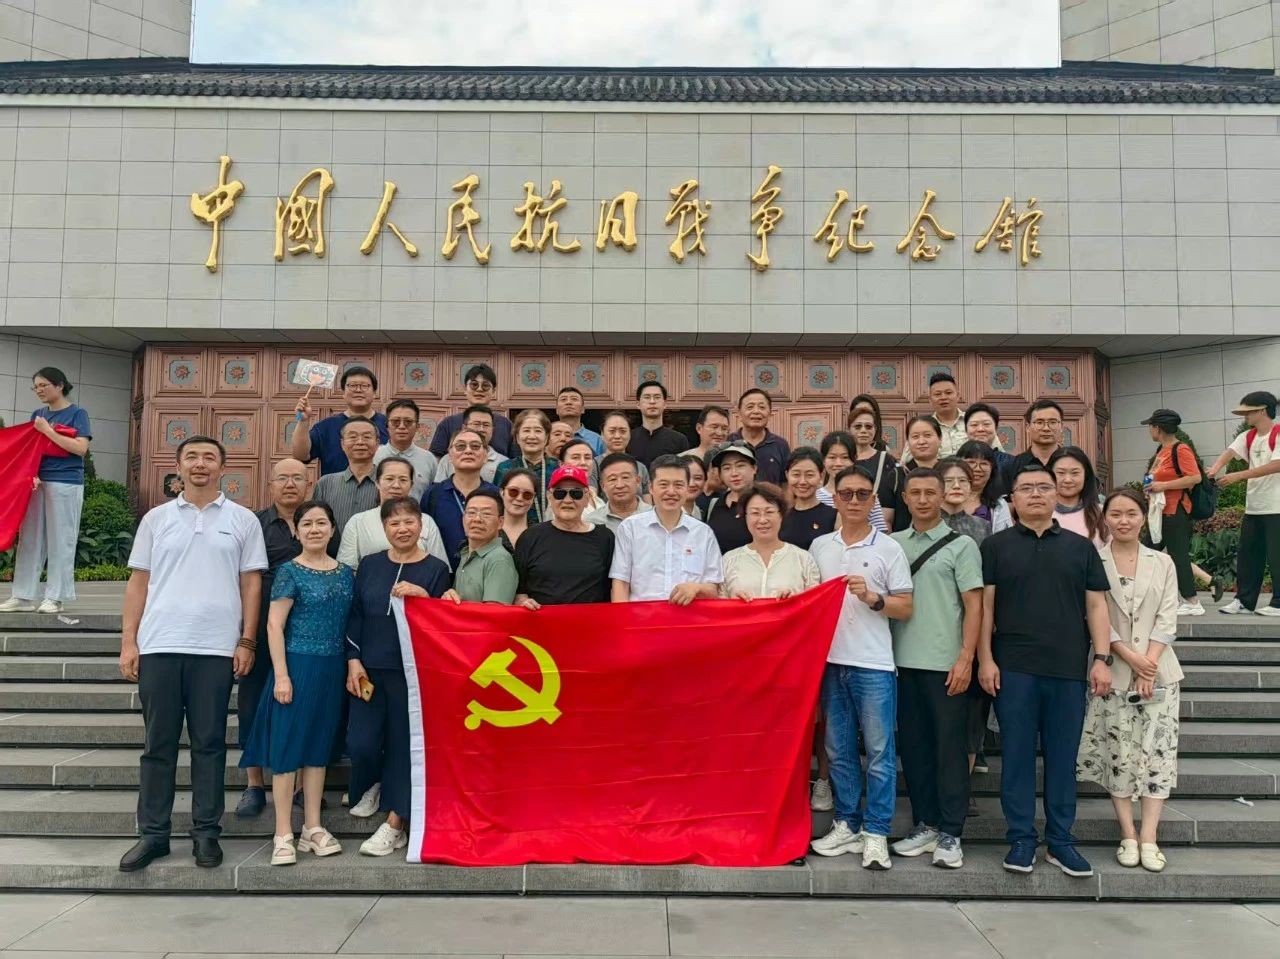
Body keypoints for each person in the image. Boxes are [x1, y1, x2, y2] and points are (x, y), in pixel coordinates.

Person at [117, 435, 267, 872]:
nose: (200, 464)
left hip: (215, 648)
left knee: (209, 744)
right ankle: (153, 835)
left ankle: (206, 833)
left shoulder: (242, 520)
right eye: (192, 457)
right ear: (179, 466)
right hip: (161, 643)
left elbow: (251, 584)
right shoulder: (156, 519)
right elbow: (138, 583)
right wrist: (129, 640)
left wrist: (247, 640)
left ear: (223, 467)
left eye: (209, 458)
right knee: (158, 745)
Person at [978, 462, 1112, 879]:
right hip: (1014, 667)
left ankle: (1060, 841)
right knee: (1016, 757)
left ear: (1057, 495)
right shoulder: (996, 546)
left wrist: (1102, 659)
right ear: (1012, 499)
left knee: (1062, 758)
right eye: (1026, 488)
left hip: (1067, 668)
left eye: (1043, 487)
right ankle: (1021, 838)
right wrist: (986, 658)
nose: (1036, 494)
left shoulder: (1080, 547)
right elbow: (985, 609)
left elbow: (1096, 605)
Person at [809, 465, 913, 870]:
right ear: (834, 498)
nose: (854, 500)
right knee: (838, 751)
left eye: (862, 494)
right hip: (830, 662)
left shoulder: (889, 548)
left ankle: (877, 831)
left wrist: (873, 598)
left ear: (873, 501)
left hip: (873, 663)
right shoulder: (820, 546)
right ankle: (847, 822)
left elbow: (906, 607)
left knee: (880, 752)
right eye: (846, 493)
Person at [240, 500, 353, 866]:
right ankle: (283, 832)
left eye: (321, 523)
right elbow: (274, 625)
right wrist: (282, 675)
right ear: (298, 531)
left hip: (332, 668)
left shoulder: (346, 573)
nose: (315, 529)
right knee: (287, 750)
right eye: (307, 524)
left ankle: (313, 828)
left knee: (318, 749)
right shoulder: (290, 571)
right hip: (296, 665)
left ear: (332, 529)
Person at [1077, 489, 1183, 874]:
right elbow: (1095, 615)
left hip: (1160, 673)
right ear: (1104, 518)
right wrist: (1131, 658)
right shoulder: (1094, 559)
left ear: (1143, 516)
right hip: (1114, 672)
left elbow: (1168, 616)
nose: (1123, 521)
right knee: (1118, 753)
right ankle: (1128, 834)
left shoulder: (1163, 561)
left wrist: (1148, 663)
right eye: (1116, 514)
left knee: (1157, 754)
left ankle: (1150, 836)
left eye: (1131, 513)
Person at [889, 468, 984, 869]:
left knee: (949, 749)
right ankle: (925, 823)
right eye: (916, 493)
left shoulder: (962, 545)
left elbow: (974, 605)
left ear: (943, 496)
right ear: (905, 499)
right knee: (914, 750)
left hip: (945, 664)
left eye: (931, 492)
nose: (923, 499)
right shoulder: (892, 544)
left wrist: (966, 657)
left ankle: (951, 831)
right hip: (900, 663)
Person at [345, 497, 450, 856]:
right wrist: (353, 659)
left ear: (421, 526)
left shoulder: (436, 569)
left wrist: (423, 597)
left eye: (409, 522)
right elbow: (355, 614)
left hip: (412, 673)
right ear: (384, 528)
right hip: (369, 669)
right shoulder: (370, 564)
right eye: (394, 523)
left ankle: (396, 823)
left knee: (406, 746)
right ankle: (375, 784)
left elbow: (443, 621)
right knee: (361, 741)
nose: (402, 529)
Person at [236, 457, 310, 819]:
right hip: (263, 625)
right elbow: (243, 579)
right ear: (270, 485)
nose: (290, 484)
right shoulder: (254, 525)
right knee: (252, 701)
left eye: (297, 478)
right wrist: (246, 638)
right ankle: (254, 784)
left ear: (309, 485)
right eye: (283, 478)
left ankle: (300, 786)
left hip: (309, 630)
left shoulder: (319, 521)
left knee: (302, 703)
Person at [1, 367, 92, 615]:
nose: (39, 390)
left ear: (60, 385)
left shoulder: (77, 413)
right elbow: (32, 449)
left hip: (66, 482)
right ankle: (23, 595)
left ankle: (56, 597)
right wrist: (32, 474)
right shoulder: (38, 414)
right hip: (38, 483)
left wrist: (47, 431)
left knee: (61, 539)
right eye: (36, 386)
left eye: (43, 385)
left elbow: (80, 448)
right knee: (29, 539)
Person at [610, 455, 722, 603]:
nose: (671, 491)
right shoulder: (630, 528)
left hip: (688, 615)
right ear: (651, 488)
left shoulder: (703, 533)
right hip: (642, 615)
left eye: (678, 485)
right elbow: (621, 584)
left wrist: (696, 588)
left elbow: (714, 588)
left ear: (687, 488)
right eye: (663, 485)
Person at [1209, 391, 1280, 617]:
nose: (1245, 416)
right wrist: (1213, 470)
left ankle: (1278, 603)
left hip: (1277, 507)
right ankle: (1244, 601)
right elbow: (1229, 452)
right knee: (1248, 556)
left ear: (1262, 410)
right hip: (1254, 508)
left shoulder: (1278, 434)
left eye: (1248, 412)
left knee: (1277, 557)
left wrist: (1239, 476)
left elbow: (1276, 465)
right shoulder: (1248, 436)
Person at [514, 465, 614, 608]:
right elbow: (519, 592)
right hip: (541, 620)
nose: (567, 500)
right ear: (549, 497)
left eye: (576, 493)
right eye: (559, 493)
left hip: (591, 620)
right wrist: (523, 602)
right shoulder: (530, 537)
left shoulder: (605, 538)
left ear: (587, 498)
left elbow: (614, 588)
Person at [1140, 408, 1205, 616]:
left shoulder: (1180, 449)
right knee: (1146, 553)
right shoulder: (1162, 450)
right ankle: (1166, 596)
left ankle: (1192, 601)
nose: (1149, 430)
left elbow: (1195, 477)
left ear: (1157, 428)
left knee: (1177, 556)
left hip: (1176, 510)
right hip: (1160, 512)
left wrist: (1163, 486)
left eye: (1150, 426)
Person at [337, 456, 449, 570]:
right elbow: (346, 569)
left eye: (403, 480)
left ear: (411, 485)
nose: (396, 485)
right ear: (377, 483)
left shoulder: (426, 521)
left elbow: (439, 568)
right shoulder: (358, 522)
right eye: (389, 479)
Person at [722, 483, 820, 600]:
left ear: (781, 515)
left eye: (769, 512)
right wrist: (733, 603)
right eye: (755, 513)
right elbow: (718, 604)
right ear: (745, 517)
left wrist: (795, 601)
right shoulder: (729, 561)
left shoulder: (803, 559)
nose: (762, 520)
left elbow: (815, 603)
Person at [291, 365, 388, 476]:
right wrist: (302, 421)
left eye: (365, 386)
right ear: (343, 393)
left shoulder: (389, 425)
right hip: (334, 487)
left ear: (374, 393)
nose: (358, 390)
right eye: (352, 385)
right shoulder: (325, 427)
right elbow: (300, 456)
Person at [422, 428, 498, 567]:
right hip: (443, 572)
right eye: (460, 446)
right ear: (450, 456)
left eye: (475, 446)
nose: (468, 451)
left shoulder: (496, 495)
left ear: (485, 455)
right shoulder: (433, 494)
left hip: (486, 572)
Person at [312, 416, 380, 547]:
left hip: (375, 556)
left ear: (377, 443)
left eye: (367, 437)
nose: (360, 442)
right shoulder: (325, 483)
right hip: (332, 556)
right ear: (342, 444)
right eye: (353, 437)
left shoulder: (388, 483)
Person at [445, 489, 519, 604]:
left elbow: (493, 612)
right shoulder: (465, 554)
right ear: (463, 518)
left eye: (486, 514)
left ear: (500, 522)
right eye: (471, 512)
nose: (477, 519)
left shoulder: (499, 559)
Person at [428, 363, 513, 457]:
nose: (479, 389)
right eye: (474, 385)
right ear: (465, 389)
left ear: (493, 392)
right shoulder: (448, 423)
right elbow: (436, 458)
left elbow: (515, 459)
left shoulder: (506, 424)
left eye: (485, 386)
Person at [494, 408, 559, 523]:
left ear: (547, 437)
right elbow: (497, 504)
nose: (532, 436)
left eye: (538, 431)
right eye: (526, 430)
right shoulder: (505, 468)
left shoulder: (558, 468)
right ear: (517, 437)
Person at [372, 399, 436, 501]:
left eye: (408, 422)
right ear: (387, 425)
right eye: (396, 422)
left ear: (417, 427)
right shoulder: (374, 456)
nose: (401, 426)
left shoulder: (429, 459)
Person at [849, 409, 899, 529]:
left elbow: (889, 499)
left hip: (878, 525)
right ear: (849, 429)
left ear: (875, 429)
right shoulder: (842, 460)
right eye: (858, 426)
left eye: (868, 426)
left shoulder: (886, 460)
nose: (863, 431)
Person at [890, 417, 943, 532]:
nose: (921, 441)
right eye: (915, 437)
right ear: (908, 442)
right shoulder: (895, 475)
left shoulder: (950, 472)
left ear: (940, 439)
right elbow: (886, 520)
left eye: (927, 435)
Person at [704, 442, 757, 553]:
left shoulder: (766, 503)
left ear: (754, 468)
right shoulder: (714, 504)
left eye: (740, 466)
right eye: (727, 468)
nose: (734, 473)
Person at [433, 404, 508, 483]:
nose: (481, 429)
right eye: (476, 424)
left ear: (492, 429)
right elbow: (438, 488)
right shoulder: (448, 459)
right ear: (464, 428)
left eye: (486, 425)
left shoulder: (503, 463)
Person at [730, 388, 790, 484]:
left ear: (770, 414)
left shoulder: (780, 445)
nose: (756, 411)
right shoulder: (729, 442)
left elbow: (786, 482)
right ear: (739, 414)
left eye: (762, 407)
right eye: (750, 407)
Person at [901, 372, 966, 462]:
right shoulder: (923, 427)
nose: (943, 397)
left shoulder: (972, 422)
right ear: (930, 400)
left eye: (948, 393)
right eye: (938, 394)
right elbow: (905, 462)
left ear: (958, 396)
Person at [1001, 398, 1064, 490]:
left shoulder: (1074, 464)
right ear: (1028, 427)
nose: (1046, 428)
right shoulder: (1012, 466)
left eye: (1053, 422)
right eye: (1039, 423)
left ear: (1061, 427)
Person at [781, 448, 837, 550]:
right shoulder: (780, 517)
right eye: (796, 474)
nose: (802, 481)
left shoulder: (834, 516)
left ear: (821, 476)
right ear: (787, 475)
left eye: (809, 475)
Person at [1050, 446, 1106, 547]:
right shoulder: (1038, 514)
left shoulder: (1102, 514)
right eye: (1061, 473)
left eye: (1075, 473)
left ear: (1086, 475)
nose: (1067, 480)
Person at [627, 381, 687, 469]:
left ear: (665, 404)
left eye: (657, 397)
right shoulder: (628, 438)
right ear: (638, 404)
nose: (652, 401)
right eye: (647, 397)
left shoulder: (679, 439)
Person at [587, 452, 654, 531]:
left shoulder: (655, 516)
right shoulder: (591, 523)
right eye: (613, 479)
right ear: (603, 485)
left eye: (625, 477)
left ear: (638, 481)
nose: (620, 485)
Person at [957, 439, 1013, 533]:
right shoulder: (944, 497)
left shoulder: (999, 504)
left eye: (984, 463)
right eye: (971, 462)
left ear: (992, 469)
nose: (977, 469)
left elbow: (1004, 538)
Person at [937, 458, 991, 545]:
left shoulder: (983, 526)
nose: (957, 486)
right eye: (948, 481)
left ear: (970, 486)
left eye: (962, 480)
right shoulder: (924, 524)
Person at [600, 410, 652, 495]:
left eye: (623, 431)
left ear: (630, 434)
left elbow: (647, 500)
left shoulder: (641, 467)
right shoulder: (593, 465)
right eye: (612, 431)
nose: (617, 436)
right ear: (602, 434)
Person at [558, 438, 605, 513]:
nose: (583, 462)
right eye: (575, 457)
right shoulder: (559, 496)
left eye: (587, 458)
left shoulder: (595, 497)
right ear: (562, 464)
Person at [556, 386, 605, 456]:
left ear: (583, 409)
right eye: (563, 399)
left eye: (574, 399)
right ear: (557, 410)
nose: (568, 402)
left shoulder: (597, 439)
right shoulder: (548, 436)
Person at [498, 467, 539, 550]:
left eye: (527, 494)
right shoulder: (488, 529)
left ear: (533, 498)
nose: (519, 498)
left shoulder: (540, 534)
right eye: (513, 491)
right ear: (502, 492)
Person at [964, 402, 1012, 468]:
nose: (980, 429)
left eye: (986, 424)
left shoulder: (1011, 463)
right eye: (974, 425)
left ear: (996, 428)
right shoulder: (957, 462)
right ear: (966, 429)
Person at [679, 451, 707, 519]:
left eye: (698, 478)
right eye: (686, 477)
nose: (691, 484)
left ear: (705, 481)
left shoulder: (701, 512)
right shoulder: (664, 514)